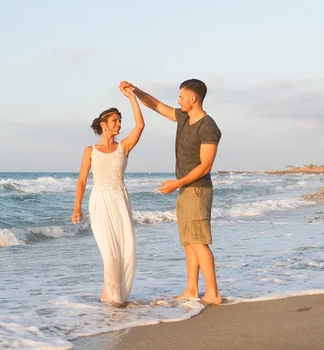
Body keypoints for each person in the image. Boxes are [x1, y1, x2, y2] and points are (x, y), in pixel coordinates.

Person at [120, 79, 222, 305]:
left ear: (193, 99)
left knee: (199, 241)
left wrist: (177, 183)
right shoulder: (184, 117)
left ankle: (213, 293)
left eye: (181, 97)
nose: (178, 101)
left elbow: (205, 166)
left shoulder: (208, 127)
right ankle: (192, 290)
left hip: (197, 189)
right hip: (185, 188)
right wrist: (135, 91)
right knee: (188, 242)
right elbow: (155, 105)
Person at [72, 83, 145, 307]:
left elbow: (140, 126)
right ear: (103, 125)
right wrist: (77, 207)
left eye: (120, 121)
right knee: (109, 252)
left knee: (126, 250)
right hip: (100, 201)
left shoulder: (124, 147)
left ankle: (109, 295)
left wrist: (132, 98)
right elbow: (82, 180)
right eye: (115, 121)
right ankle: (114, 300)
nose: (119, 125)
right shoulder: (90, 151)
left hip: (120, 201)